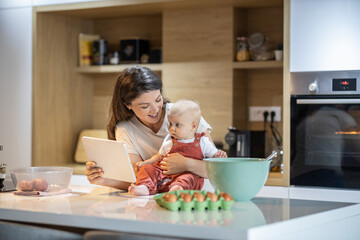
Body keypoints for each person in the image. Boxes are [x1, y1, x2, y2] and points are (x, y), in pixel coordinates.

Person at [85, 66, 226, 190]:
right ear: (128, 105)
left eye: (158, 100)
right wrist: (103, 179)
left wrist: (186, 164)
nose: (155, 110)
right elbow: (139, 177)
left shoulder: (185, 114)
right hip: (155, 195)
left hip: (195, 194)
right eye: (145, 106)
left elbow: (218, 171)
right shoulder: (125, 129)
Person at [128, 99, 227, 196]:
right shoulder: (170, 141)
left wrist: (219, 155)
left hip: (186, 175)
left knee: (189, 178)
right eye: (170, 124)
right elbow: (158, 156)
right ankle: (145, 187)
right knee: (148, 169)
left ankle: (177, 189)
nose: (172, 129)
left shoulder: (202, 142)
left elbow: (214, 160)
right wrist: (146, 162)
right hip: (165, 175)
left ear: (193, 126)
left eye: (178, 125)